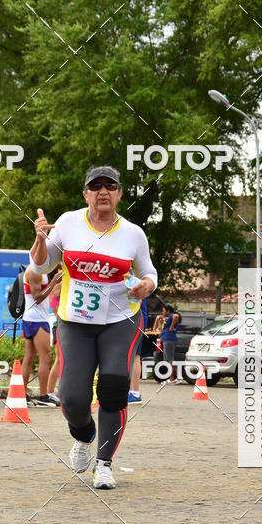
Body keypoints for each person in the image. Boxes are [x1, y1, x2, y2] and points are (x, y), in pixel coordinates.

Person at [29, 165, 157, 490]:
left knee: (113, 390)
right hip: (76, 321)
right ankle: (84, 436)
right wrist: (40, 239)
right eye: (95, 186)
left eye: (109, 186)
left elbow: (150, 274)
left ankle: (104, 464)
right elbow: (41, 266)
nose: (103, 191)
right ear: (85, 194)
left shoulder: (133, 233)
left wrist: (146, 285)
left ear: (119, 193)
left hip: (121, 320)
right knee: (72, 398)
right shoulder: (70, 223)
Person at [21, 267, 62, 406]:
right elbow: (37, 298)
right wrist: (53, 283)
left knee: (29, 357)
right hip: (37, 320)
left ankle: (21, 394)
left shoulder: (39, 271)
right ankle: (44, 396)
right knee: (45, 356)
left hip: (32, 318)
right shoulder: (34, 272)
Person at [128, 296, 148, 402]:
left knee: (135, 356)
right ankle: (131, 391)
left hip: (134, 322)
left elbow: (137, 302)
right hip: (134, 321)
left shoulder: (132, 282)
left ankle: (135, 392)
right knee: (131, 356)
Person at [160, 303, 181, 383]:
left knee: (170, 359)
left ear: (168, 311)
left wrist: (172, 326)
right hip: (166, 339)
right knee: (169, 359)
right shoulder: (167, 318)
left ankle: (173, 379)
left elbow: (176, 316)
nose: (162, 312)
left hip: (169, 339)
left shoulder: (172, 315)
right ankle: (175, 378)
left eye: (163, 311)